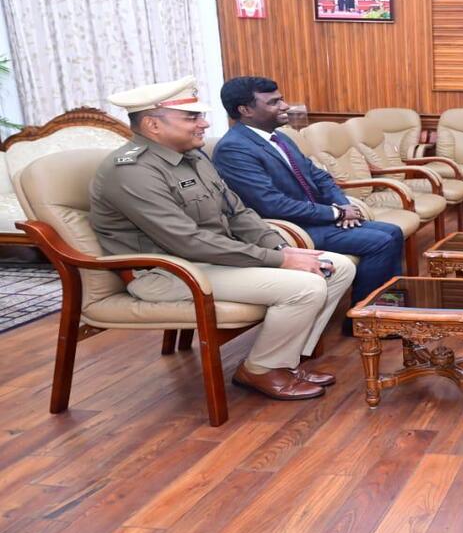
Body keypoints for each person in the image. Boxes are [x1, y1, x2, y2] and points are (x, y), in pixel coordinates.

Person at [90, 76, 354, 401]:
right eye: (192, 117)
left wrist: (279, 247)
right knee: (306, 286)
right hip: (167, 272)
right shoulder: (132, 171)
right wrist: (280, 260)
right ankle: (262, 369)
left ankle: (285, 360)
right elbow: (187, 242)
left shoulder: (194, 156)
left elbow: (237, 212)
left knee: (337, 267)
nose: (204, 123)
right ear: (152, 125)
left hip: (212, 260)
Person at [212, 76, 405, 304]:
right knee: (380, 241)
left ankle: (389, 306)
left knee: (393, 232)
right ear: (245, 110)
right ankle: (364, 313)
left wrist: (343, 205)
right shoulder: (233, 149)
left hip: (314, 217)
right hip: (288, 228)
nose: (285, 106)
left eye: (281, 99)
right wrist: (336, 213)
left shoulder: (280, 137)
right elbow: (271, 204)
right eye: (273, 102)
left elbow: (318, 176)